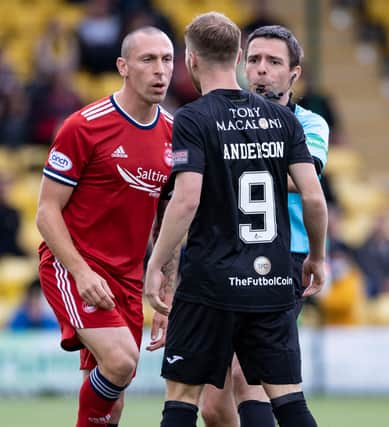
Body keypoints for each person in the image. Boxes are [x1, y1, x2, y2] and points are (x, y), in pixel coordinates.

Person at [145, 12, 328, 427]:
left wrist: (156, 264)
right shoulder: (283, 120)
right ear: (240, 57)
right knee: (287, 400)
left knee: (182, 398)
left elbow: (186, 200)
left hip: (211, 279)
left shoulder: (192, 118)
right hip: (272, 277)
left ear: (190, 58)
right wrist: (316, 256)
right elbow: (315, 199)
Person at [36, 26, 177, 427]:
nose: (160, 71)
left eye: (167, 60)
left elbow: (169, 219)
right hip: (74, 266)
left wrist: (167, 287)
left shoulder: (174, 133)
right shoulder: (84, 126)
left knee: (111, 407)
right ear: (123, 66)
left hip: (128, 279)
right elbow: (46, 213)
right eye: (148, 59)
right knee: (119, 362)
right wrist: (80, 273)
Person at [200, 25, 330, 427]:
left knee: (250, 375)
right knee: (213, 407)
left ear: (294, 73)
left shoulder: (309, 125)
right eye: (254, 60)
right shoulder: (218, 116)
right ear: (240, 65)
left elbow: (304, 180)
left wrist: (228, 164)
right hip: (224, 255)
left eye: (274, 62)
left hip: (282, 258)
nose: (261, 70)